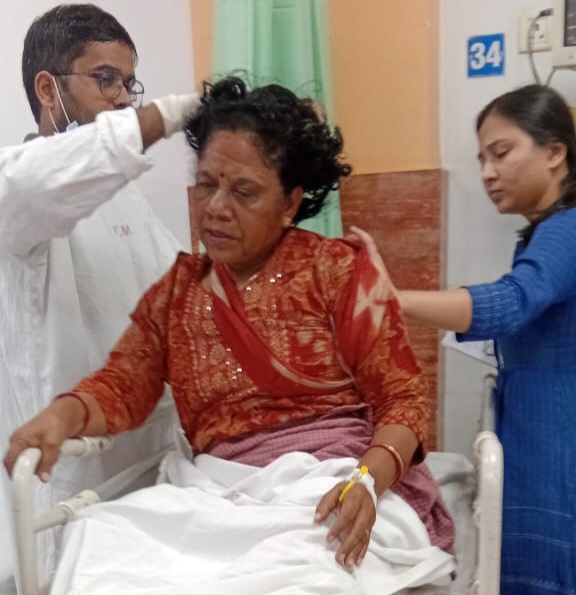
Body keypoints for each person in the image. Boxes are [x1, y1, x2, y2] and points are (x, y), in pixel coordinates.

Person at [4, 77, 455, 594]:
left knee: (301, 574)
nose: (215, 207)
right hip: (216, 491)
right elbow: (123, 385)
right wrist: (63, 415)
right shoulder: (177, 293)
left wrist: (369, 479)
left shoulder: (336, 270)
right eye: (206, 185)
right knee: (100, 544)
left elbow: (404, 398)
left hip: (330, 480)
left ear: (290, 203)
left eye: (243, 192)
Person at [0, 3, 199, 587]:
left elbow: (180, 297)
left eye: (129, 84)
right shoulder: (16, 193)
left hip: (144, 471)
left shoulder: (127, 200)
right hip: (66, 488)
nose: (122, 99)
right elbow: (57, 171)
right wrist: (180, 112)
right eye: (105, 78)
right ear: (47, 89)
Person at [354, 84, 576, 595]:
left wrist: (394, 298)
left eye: (501, 153)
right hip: (536, 432)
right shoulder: (547, 233)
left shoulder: (567, 229)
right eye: (481, 160)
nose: (487, 173)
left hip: (554, 445)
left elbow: (512, 303)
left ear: (555, 152)